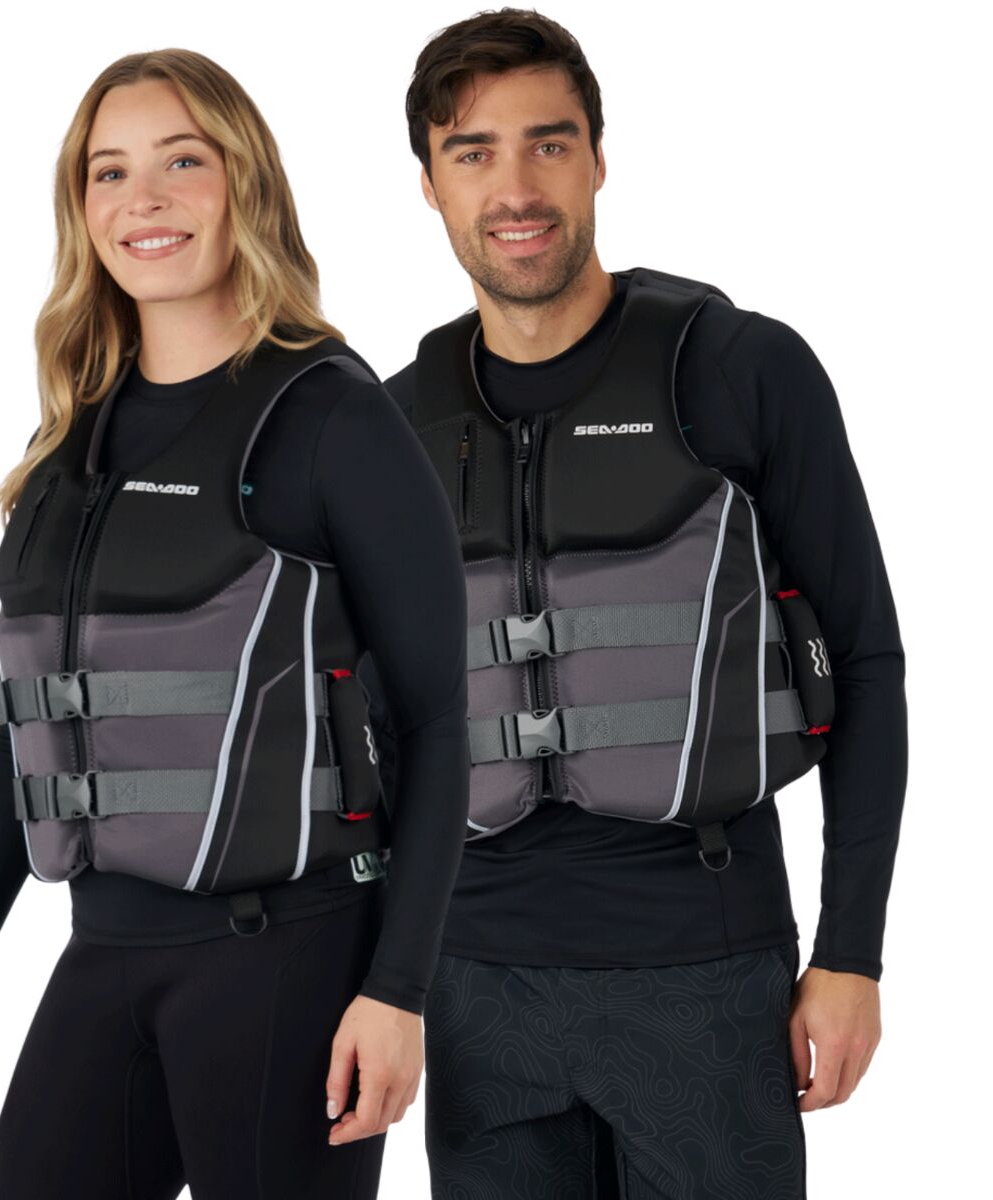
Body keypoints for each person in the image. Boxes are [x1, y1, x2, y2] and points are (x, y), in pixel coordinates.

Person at [361, 10, 907, 1198]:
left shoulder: (742, 370)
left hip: (705, 967)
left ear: (599, 159)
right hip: (478, 989)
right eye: (473, 152)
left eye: (549, 144)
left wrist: (852, 952)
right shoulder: (395, 422)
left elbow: (865, 659)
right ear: (430, 186)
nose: (516, 188)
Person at [0, 48, 469, 1200]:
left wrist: (399, 991)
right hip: (106, 949)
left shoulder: (333, 419)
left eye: (182, 162)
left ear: (244, 182)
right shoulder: (71, 443)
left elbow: (442, 724)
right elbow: (27, 719)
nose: (143, 200)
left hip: (291, 956)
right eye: (109, 172)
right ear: (81, 208)